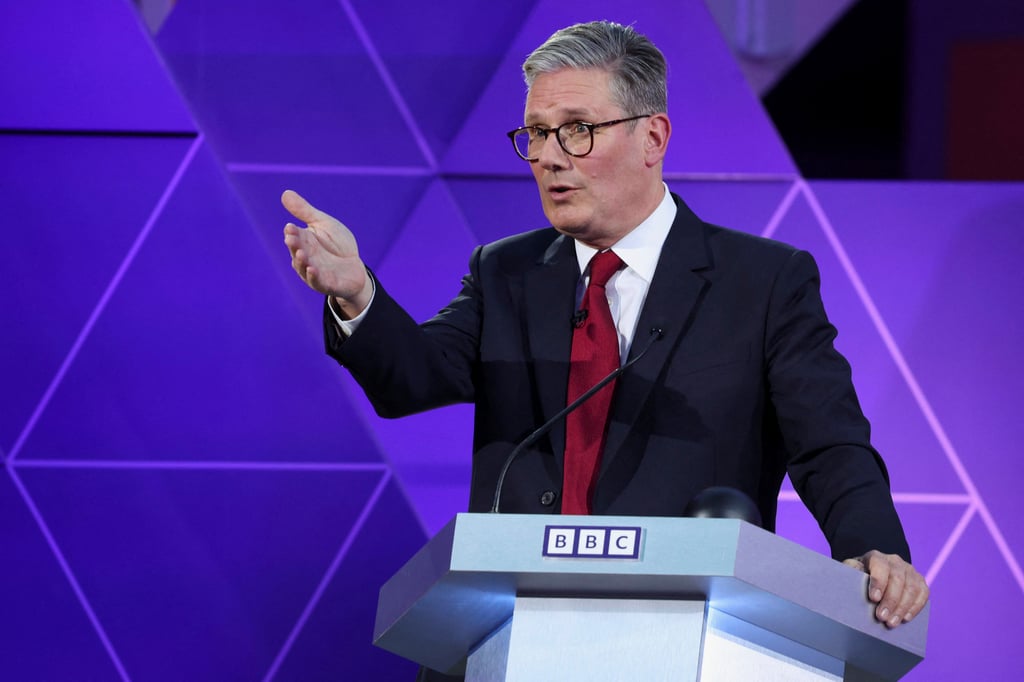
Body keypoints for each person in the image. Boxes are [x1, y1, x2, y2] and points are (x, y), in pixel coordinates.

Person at [283, 19, 928, 675]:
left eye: (578, 129)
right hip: (509, 642)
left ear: (653, 137)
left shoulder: (763, 282)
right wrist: (358, 293)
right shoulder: (505, 273)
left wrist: (875, 548)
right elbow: (412, 377)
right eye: (537, 133)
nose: (549, 156)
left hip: (688, 639)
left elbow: (829, 444)